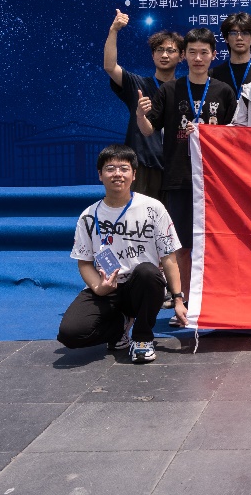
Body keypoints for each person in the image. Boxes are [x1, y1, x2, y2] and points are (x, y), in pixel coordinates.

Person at [57, 145, 187, 363]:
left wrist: (178, 299)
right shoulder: (88, 216)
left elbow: (169, 258)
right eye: (110, 169)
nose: (117, 174)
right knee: (70, 334)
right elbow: (84, 262)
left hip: (142, 286)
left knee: (148, 272)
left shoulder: (153, 208)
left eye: (124, 169)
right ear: (100, 175)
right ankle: (121, 326)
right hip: (108, 287)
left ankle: (142, 339)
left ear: (134, 174)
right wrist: (99, 287)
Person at [136, 27, 237, 306]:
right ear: (184, 56)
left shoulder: (224, 91)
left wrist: (210, 132)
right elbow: (148, 130)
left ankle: (215, 299)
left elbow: (236, 134)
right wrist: (141, 115)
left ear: (214, 55)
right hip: (179, 178)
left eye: (204, 52)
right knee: (182, 245)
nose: (198, 58)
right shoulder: (170, 90)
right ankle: (186, 302)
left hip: (214, 181)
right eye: (192, 52)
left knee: (216, 242)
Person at [103, 10, 182, 198]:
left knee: (172, 215)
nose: (164, 55)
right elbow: (110, 67)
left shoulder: (185, 90)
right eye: (159, 50)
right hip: (143, 166)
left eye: (171, 50)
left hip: (176, 167)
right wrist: (114, 30)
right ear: (153, 55)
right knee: (139, 215)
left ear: (181, 56)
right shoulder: (137, 84)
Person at [210, 12, 251, 93]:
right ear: (226, 38)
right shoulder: (214, 74)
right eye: (233, 33)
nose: (239, 38)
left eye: (245, 33)